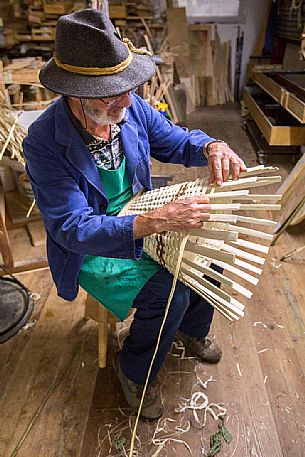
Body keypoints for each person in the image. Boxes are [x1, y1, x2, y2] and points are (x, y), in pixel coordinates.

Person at [23, 9, 247, 421]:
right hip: (92, 245)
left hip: (140, 214)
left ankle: (190, 330)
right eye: (112, 94)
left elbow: (178, 141)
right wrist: (158, 221)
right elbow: (73, 228)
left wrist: (211, 145)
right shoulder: (43, 143)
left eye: (128, 88)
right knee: (169, 292)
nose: (128, 101)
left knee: (210, 253)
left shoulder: (130, 108)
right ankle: (135, 370)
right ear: (76, 94)